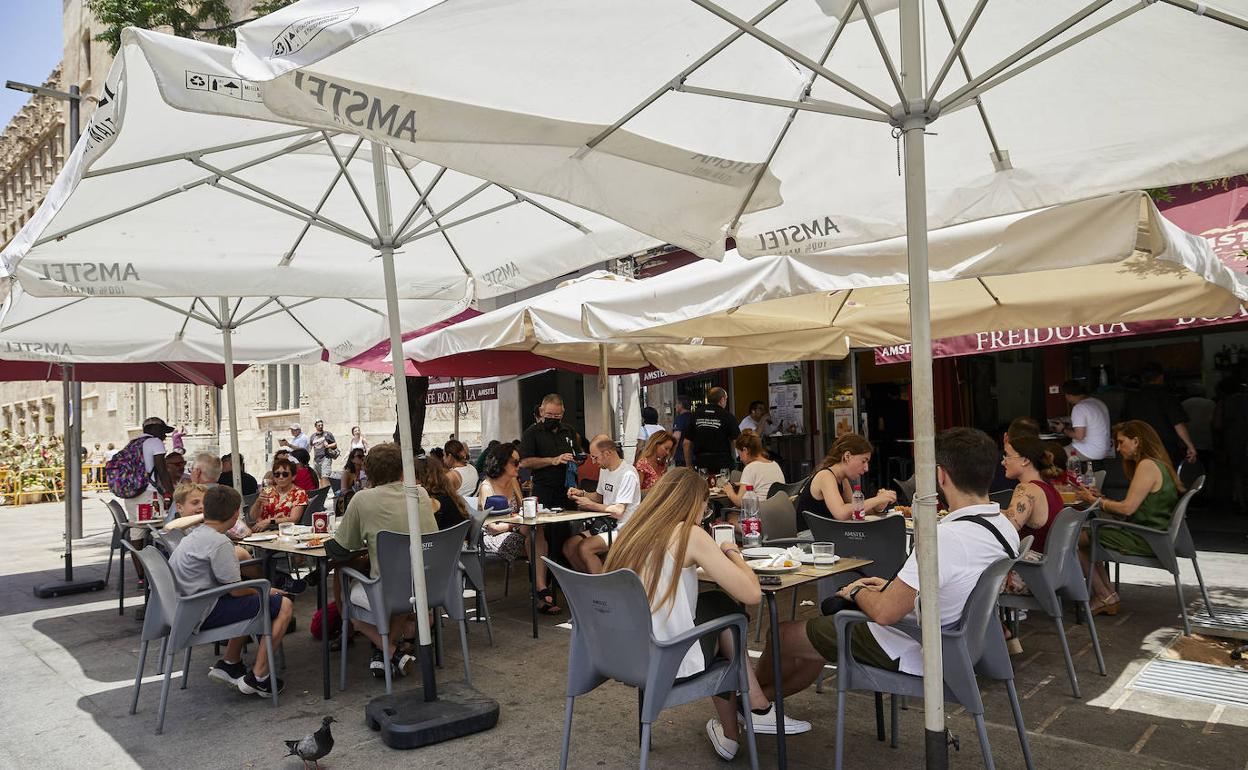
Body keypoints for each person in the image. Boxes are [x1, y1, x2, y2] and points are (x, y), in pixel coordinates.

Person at [757, 428, 1019, 709]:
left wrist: (857, 589)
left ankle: (752, 705)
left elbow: (883, 612)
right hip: (956, 642)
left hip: (908, 645)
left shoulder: (942, 539)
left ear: (941, 475)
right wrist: (887, 587)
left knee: (781, 635)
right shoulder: (1005, 527)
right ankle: (759, 704)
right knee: (814, 640)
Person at [603, 468, 806, 757]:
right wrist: (731, 551)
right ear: (692, 503)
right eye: (705, 506)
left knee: (716, 607)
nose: (704, 513)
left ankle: (734, 732)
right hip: (665, 658)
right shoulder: (689, 534)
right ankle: (756, 709)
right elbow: (751, 594)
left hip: (625, 655)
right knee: (729, 619)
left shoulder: (633, 531)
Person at [169, 485, 294, 696]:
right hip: (200, 613)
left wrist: (260, 592)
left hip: (185, 607)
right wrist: (266, 591)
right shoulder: (219, 542)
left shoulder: (194, 535)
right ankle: (259, 676)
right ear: (236, 513)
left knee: (255, 601)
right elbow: (236, 591)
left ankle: (230, 662)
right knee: (283, 604)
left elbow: (232, 588)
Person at [327, 442, 436, 679]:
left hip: (390, 589)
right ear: (402, 469)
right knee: (398, 582)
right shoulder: (422, 494)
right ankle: (384, 652)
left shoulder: (362, 499)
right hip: (428, 583)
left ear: (369, 473)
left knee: (346, 596)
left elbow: (342, 547)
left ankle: (389, 650)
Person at [1076, 420, 1182, 615]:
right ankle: (1107, 595)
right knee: (1086, 537)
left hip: (1144, 538)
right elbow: (1133, 506)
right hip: (1151, 534)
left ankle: (1104, 595)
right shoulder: (1158, 463)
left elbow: (1127, 509)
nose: (1118, 448)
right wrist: (1102, 499)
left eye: (1121, 442)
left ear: (1136, 441)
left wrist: (1095, 501)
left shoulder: (1147, 465)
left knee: (1074, 541)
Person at [479, 442, 556, 611]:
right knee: (535, 536)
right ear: (501, 463)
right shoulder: (487, 486)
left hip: (520, 532)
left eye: (519, 461)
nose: (519, 466)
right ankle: (541, 591)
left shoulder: (513, 481)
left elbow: (522, 510)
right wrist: (514, 526)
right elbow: (490, 526)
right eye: (515, 462)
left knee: (538, 532)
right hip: (494, 538)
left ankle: (540, 589)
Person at [564, 435, 642, 573]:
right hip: (605, 524)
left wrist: (590, 505)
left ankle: (602, 588)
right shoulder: (604, 470)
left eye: (595, 457)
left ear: (607, 453)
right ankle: (596, 580)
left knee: (585, 547)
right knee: (569, 547)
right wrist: (581, 493)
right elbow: (599, 497)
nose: (593, 462)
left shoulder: (627, 474)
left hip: (624, 527)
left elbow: (618, 511)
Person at [795, 434, 895, 525]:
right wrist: (877, 499)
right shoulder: (825, 476)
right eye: (863, 461)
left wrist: (878, 507)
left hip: (827, 534)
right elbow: (841, 513)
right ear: (847, 456)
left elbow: (855, 511)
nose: (866, 468)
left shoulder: (843, 480)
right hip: (809, 539)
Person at [1123, 362, 1199, 467]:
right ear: (1161, 377)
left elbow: (1126, 426)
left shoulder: (1132, 398)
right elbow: (1178, 423)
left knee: (1148, 479)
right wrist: (1189, 445)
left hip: (1142, 448)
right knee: (1169, 477)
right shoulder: (1166, 396)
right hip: (1165, 448)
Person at [519, 394, 580, 510]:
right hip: (544, 490)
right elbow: (524, 462)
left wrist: (577, 460)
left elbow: (577, 453)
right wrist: (553, 460)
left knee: (569, 524)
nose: (553, 418)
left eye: (557, 415)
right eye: (549, 414)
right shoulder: (531, 433)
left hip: (568, 490)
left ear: (562, 413)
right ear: (541, 412)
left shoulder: (569, 431)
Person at [119, 417, 177, 529]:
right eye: (163, 431)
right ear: (155, 429)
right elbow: (162, 470)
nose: (165, 436)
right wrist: (172, 494)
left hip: (132, 494)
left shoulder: (132, 444)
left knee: (137, 530)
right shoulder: (155, 442)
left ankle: (136, 548)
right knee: (159, 529)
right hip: (149, 495)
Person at [722, 431, 785, 505]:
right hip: (778, 511)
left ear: (745, 450)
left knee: (722, 515)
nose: (741, 459)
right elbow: (765, 485)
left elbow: (739, 502)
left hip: (759, 512)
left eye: (739, 454)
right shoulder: (774, 464)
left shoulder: (750, 467)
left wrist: (729, 491)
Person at [685, 387, 739, 473]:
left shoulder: (695, 415)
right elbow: (736, 441)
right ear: (722, 400)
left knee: (703, 486)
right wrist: (737, 460)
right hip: (723, 463)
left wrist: (689, 465)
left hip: (701, 463)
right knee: (723, 486)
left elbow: (686, 443)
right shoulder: (728, 416)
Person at [1062, 380, 1112, 469]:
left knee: (1057, 454)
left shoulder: (1079, 408)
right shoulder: (1098, 402)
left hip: (1089, 450)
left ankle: (1068, 480)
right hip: (1105, 449)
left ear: (1068, 395)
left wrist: (1063, 429)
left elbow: (1079, 436)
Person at [249, 457, 308, 530]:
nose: (280, 477)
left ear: (293, 477)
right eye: (277, 474)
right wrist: (257, 502)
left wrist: (270, 521)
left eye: (285, 474)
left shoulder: (299, 493)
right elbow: (253, 517)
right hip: (262, 531)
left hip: (284, 531)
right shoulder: (268, 491)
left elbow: (294, 519)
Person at [414, 456, 469, 531]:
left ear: (419, 477)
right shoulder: (449, 495)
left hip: (442, 540)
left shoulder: (431, 502)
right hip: (459, 538)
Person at [671, 395, 693, 467]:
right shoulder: (694, 417)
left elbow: (676, 437)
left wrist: (671, 454)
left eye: (677, 404)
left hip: (681, 456)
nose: (675, 406)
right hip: (694, 455)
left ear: (681, 405)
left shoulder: (680, 419)